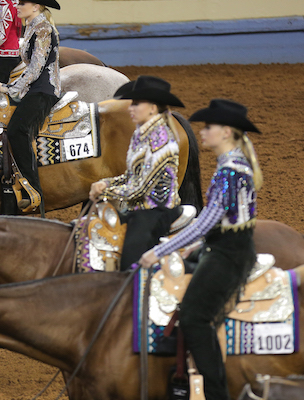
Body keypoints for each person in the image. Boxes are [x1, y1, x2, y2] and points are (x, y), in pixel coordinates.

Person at [140, 98, 263, 400]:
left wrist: (160, 250)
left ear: (226, 132)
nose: (203, 131)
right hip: (226, 247)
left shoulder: (230, 171)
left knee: (194, 318)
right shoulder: (233, 164)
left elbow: (205, 222)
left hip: (228, 255)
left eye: (209, 126)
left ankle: (218, 393)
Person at [88, 75, 191, 270]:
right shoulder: (140, 134)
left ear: (152, 107)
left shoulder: (161, 139)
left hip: (157, 212)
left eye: (136, 104)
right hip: (138, 209)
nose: (130, 108)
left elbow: (141, 188)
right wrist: (106, 183)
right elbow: (131, 176)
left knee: (130, 262)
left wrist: (106, 193)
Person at [0, 0, 61, 212]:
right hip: (34, 90)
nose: (17, 6)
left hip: (44, 92)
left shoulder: (42, 29)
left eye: (22, 2)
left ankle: (34, 192)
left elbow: (35, 69)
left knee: (17, 130)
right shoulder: (33, 26)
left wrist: (9, 89)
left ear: (36, 5)